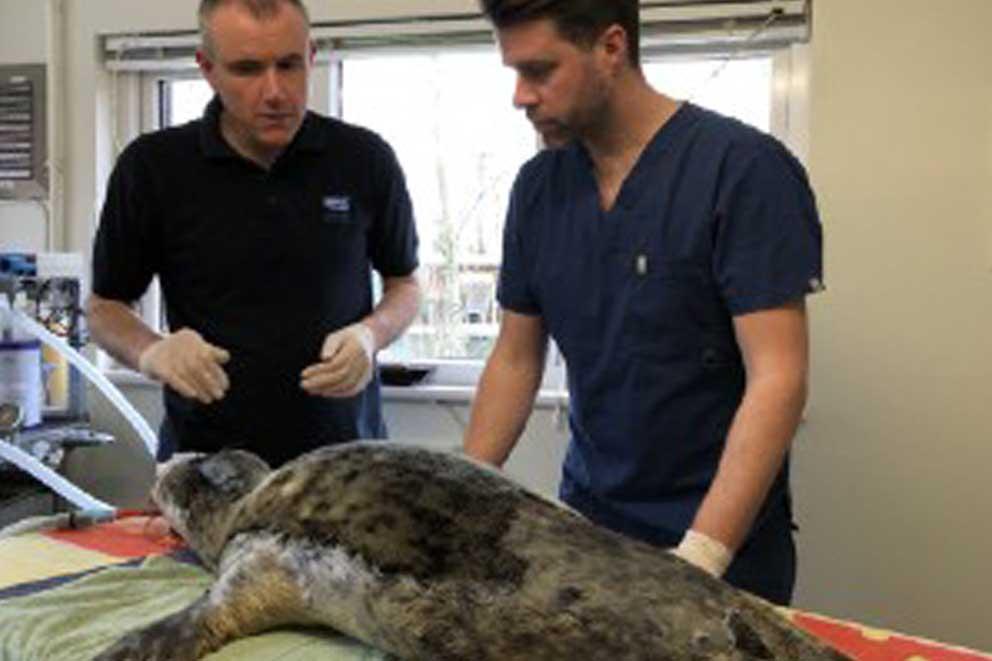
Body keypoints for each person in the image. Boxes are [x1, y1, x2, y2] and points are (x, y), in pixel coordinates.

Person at [464, 0, 823, 605]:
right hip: (589, 527)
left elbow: (779, 378)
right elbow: (516, 360)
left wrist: (701, 557)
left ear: (611, 47)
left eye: (540, 71)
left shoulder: (743, 171)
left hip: (719, 541)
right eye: (514, 74)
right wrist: (456, 494)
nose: (521, 97)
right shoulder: (538, 190)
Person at [87, 0, 421, 467]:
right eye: (247, 69)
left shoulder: (364, 159)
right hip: (208, 465)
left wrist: (370, 335)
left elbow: (405, 285)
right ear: (208, 69)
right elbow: (104, 307)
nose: (275, 92)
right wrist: (154, 351)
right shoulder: (153, 168)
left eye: (288, 65)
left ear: (310, 55)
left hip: (344, 464)